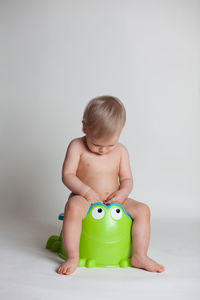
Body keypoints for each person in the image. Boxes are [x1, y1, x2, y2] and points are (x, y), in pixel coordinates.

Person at [57, 95, 165, 275]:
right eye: (96, 144)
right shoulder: (76, 146)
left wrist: (122, 193)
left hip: (115, 199)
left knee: (143, 210)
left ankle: (139, 255)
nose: (103, 150)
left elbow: (127, 180)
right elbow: (67, 175)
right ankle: (73, 256)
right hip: (84, 199)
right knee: (72, 207)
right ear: (85, 127)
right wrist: (86, 191)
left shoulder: (121, 151)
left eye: (110, 145)